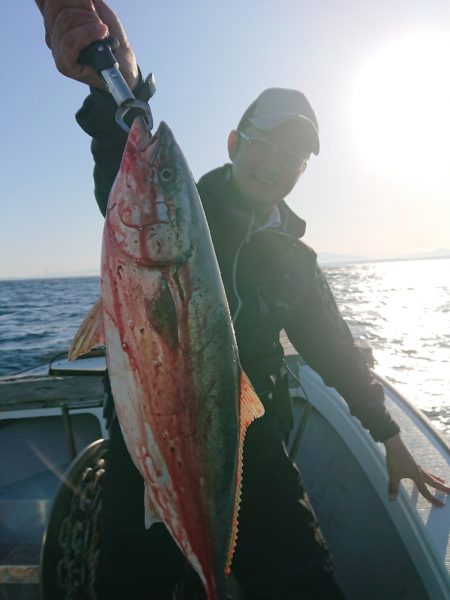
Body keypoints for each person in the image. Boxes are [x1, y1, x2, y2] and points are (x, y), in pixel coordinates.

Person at [35, 2, 450, 599]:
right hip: (148, 441)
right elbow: (125, 173)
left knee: (307, 583)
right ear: (233, 142)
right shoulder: (184, 207)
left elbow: (332, 349)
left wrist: (387, 435)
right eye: (266, 143)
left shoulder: (296, 261)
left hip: (253, 448)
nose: (278, 163)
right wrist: (114, 86)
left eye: (296, 156)